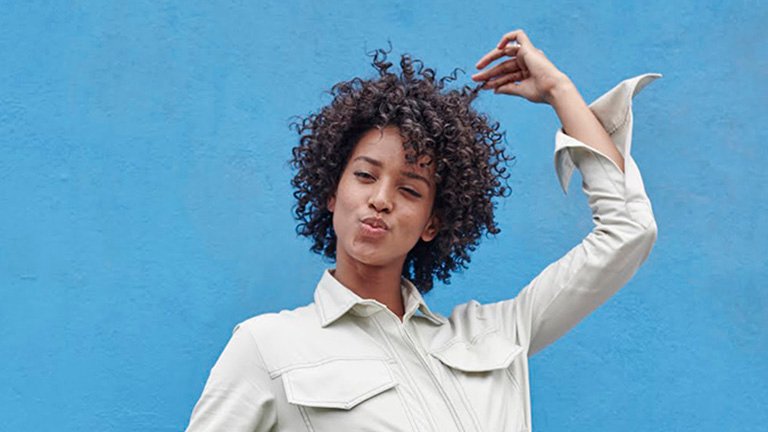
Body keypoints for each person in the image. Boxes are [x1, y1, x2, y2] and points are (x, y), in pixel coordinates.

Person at [184, 29, 660, 431]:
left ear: (433, 222)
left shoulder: (495, 334)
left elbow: (628, 230)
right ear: (332, 192)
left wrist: (560, 90)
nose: (381, 199)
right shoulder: (267, 345)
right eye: (365, 176)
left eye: (410, 190)